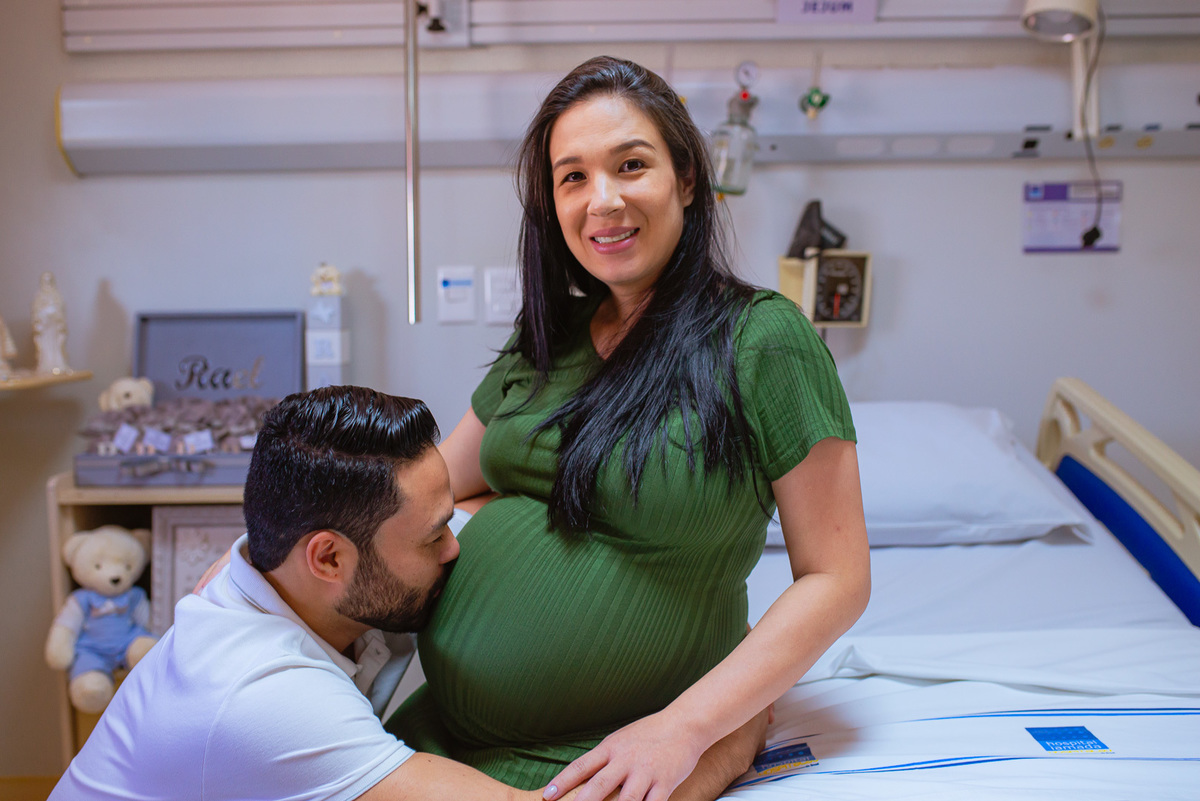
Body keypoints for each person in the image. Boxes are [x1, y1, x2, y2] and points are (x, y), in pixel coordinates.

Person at [386, 56, 871, 801]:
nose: (601, 200)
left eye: (630, 164)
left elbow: (837, 577)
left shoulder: (760, 339)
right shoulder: (547, 338)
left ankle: (729, 737)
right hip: (443, 733)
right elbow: (430, 487)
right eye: (572, 176)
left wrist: (683, 727)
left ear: (685, 180)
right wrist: (274, 548)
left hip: (621, 747)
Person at [48, 386, 765, 801]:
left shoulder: (279, 572)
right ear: (327, 556)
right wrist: (729, 733)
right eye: (432, 537)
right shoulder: (264, 700)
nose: (455, 546)